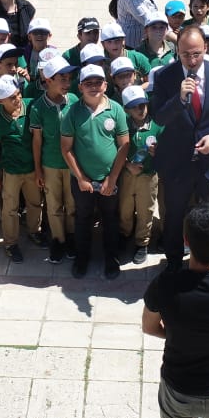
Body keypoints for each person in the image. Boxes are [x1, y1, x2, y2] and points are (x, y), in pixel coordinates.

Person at [142, 202, 209, 418]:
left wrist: (179, 334)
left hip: (179, 389)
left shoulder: (165, 285)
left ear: (186, 241)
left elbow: (149, 327)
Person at [150, 27, 209, 272]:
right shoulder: (165, 76)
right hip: (178, 162)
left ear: (206, 49)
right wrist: (179, 99)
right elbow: (158, 117)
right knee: (174, 216)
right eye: (185, 55)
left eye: (196, 54)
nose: (191, 61)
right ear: (177, 51)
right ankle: (173, 264)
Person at [60, 64, 130, 280]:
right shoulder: (72, 112)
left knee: (110, 218)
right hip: (83, 181)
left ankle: (111, 259)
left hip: (110, 179)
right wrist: (81, 178)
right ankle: (82, 258)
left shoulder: (116, 110)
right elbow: (66, 148)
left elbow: (124, 146)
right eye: (88, 83)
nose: (93, 87)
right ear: (80, 87)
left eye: (98, 82)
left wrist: (112, 179)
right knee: (83, 218)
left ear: (105, 85)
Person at [0, 76, 44, 263]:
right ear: (0, 101)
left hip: (32, 168)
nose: (18, 99)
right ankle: (11, 243)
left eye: (18, 94)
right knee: (10, 209)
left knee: (35, 203)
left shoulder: (31, 106)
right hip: (11, 171)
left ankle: (34, 231)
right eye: (12, 97)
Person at [30, 56, 78, 264]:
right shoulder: (37, 108)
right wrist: (38, 169)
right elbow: (37, 141)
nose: (67, 83)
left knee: (72, 204)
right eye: (62, 79)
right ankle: (58, 240)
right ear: (49, 80)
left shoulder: (74, 101)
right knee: (54, 205)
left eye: (69, 79)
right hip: (50, 165)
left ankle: (72, 238)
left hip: (72, 164)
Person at [118, 85, 161, 265]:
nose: (140, 109)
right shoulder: (123, 126)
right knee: (125, 208)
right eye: (134, 107)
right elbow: (116, 149)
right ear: (127, 110)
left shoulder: (157, 127)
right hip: (127, 174)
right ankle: (124, 233)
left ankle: (142, 242)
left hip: (148, 176)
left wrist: (158, 153)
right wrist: (127, 165)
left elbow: (167, 151)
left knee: (146, 210)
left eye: (142, 105)